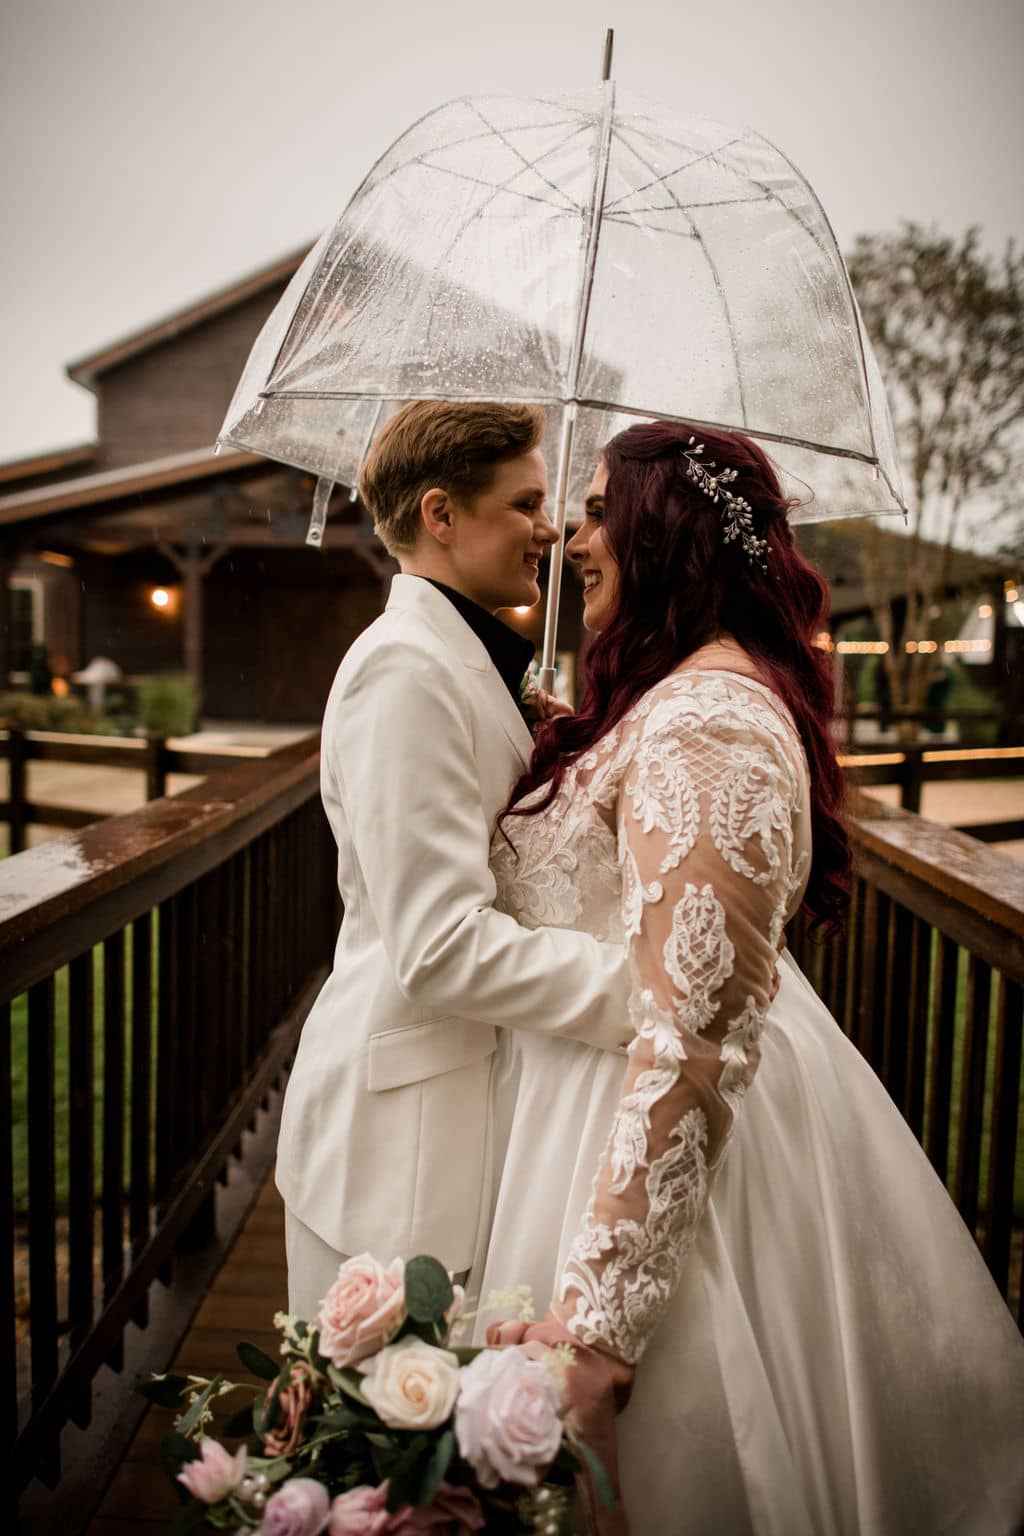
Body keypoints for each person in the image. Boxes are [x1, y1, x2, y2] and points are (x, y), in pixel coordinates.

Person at [479, 420, 1024, 1535]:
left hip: (666, 1172)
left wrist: (600, 1334)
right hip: (588, 1118)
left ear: (663, 533)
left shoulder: (711, 721)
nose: (572, 535)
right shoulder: (675, 700)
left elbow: (693, 1035)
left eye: (594, 510)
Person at [276, 401, 633, 1319]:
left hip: (466, 1113)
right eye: (525, 504)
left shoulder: (462, 660)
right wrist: (648, 995)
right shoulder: (405, 672)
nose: (550, 531)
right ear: (440, 515)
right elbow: (439, 946)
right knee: (381, 1446)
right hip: (398, 1146)